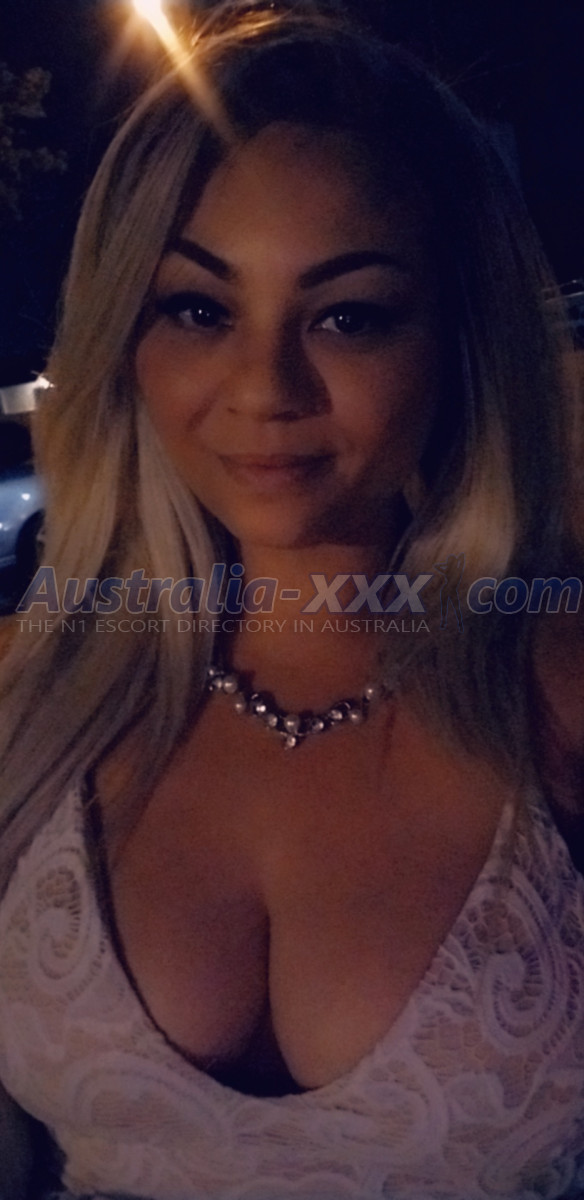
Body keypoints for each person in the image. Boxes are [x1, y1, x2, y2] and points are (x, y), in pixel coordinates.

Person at [0, 2, 583, 1196]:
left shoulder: (556, 691)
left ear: (456, 342)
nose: (263, 387)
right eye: (199, 308)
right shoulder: (44, 702)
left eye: (346, 315)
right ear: (127, 335)